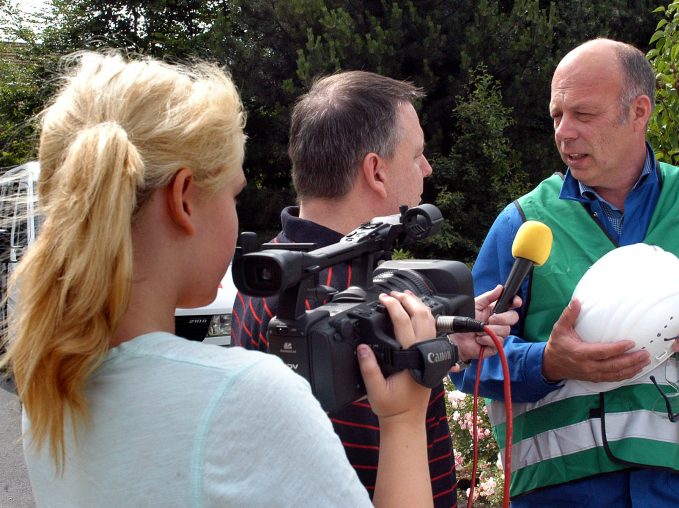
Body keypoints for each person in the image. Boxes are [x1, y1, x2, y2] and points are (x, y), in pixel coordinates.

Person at [0, 51, 457, 507]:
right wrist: (404, 415)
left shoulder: (53, 384)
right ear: (183, 200)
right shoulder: (244, 395)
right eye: (234, 195)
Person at [451, 38, 679, 507]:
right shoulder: (522, 223)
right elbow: (466, 354)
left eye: (584, 114)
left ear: (639, 112)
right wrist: (547, 363)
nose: (564, 132)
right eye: (557, 115)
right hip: (560, 498)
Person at [232, 70, 517, 506]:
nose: (427, 168)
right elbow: (373, 453)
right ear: (376, 171)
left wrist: (444, 344)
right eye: (417, 154)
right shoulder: (328, 304)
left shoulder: (281, 271)